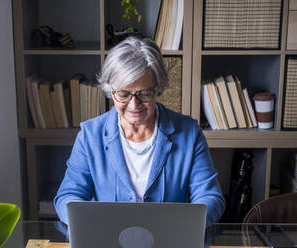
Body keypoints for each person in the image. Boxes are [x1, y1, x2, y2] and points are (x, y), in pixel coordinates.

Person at [54, 36, 225, 227]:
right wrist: (92, 225)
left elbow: (210, 197)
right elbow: (67, 196)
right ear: (110, 91)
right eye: (124, 94)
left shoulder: (189, 133)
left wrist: (182, 227)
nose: (134, 105)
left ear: (158, 89)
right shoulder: (90, 135)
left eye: (144, 93)